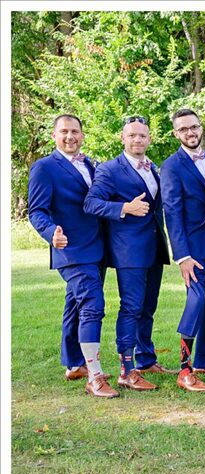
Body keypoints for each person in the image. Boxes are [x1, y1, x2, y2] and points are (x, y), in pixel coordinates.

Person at [27, 114, 116, 398]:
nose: (70, 137)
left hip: (97, 247)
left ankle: (74, 364)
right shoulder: (44, 168)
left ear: (82, 135)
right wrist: (51, 231)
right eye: (64, 132)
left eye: (75, 131)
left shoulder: (91, 164)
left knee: (75, 305)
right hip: (71, 248)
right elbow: (37, 210)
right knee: (92, 304)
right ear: (54, 135)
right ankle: (94, 374)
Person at [84, 115, 173, 393]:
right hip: (128, 252)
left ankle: (146, 359)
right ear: (123, 138)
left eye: (142, 135)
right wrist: (124, 208)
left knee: (148, 308)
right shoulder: (110, 170)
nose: (137, 140)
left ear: (149, 139)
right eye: (132, 135)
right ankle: (126, 369)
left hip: (154, 248)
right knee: (132, 307)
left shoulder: (153, 168)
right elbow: (91, 203)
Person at [160, 108, 205, 394]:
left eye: (194, 127)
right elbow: (172, 213)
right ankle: (184, 369)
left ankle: (204, 360)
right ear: (176, 134)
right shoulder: (171, 166)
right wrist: (182, 256)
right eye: (184, 129)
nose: (190, 133)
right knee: (197, 299)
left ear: (202, 128)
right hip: (192, 248)